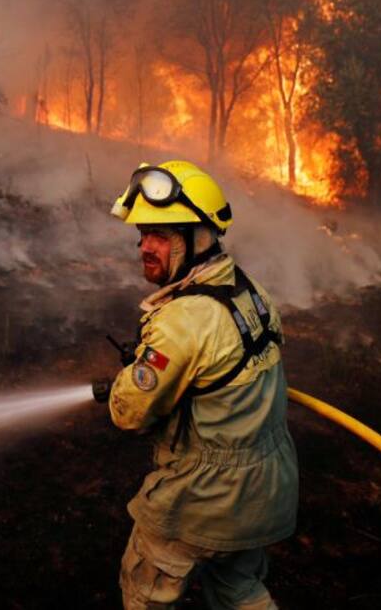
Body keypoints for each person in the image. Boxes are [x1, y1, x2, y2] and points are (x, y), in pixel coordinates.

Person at [104, 160, 298, 609]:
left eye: (161, 236)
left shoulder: (183, 322)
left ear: (198, 238)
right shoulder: (250, 291)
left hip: (204, 496)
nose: (144, 247)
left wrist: (130, 375)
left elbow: (128, 412)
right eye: (142, 235)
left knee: (144, 590)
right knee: (238, 589)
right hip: (265, 489)